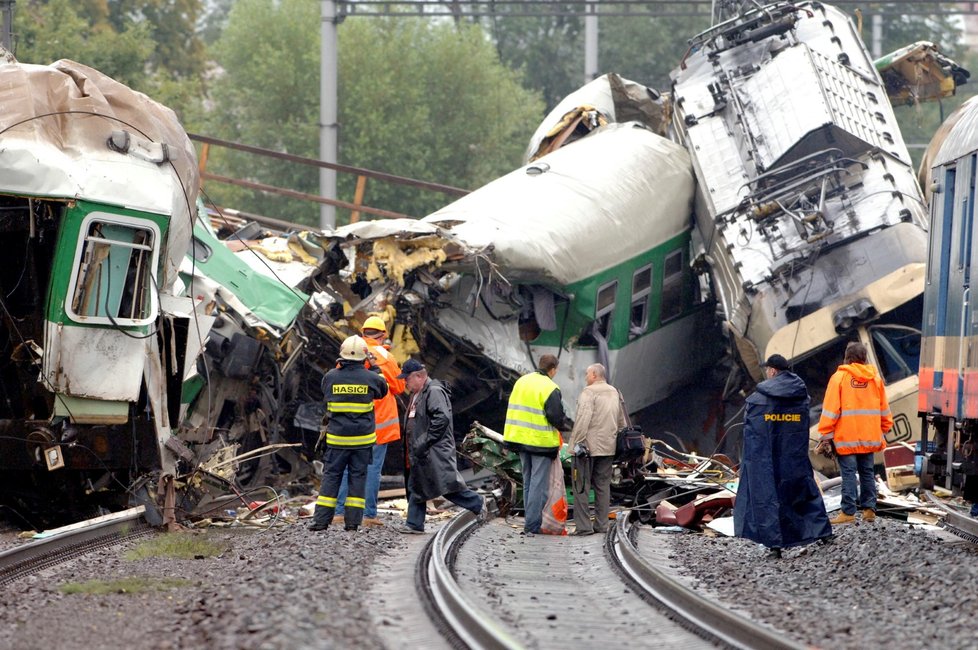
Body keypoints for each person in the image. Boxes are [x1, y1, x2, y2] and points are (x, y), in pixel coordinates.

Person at [733, 354, 833, 558]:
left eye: (768, 370)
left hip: (767, 461)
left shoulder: (758, 400)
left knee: (769, 500)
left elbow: (753, 437)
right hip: (795, 458)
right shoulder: (801, 395)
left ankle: (776, 547)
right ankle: (823, 534)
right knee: (805, 494)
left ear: (773, 371)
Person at [309, 335, 389, 533]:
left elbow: (324, 392)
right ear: (364, 357)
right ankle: (352, 524)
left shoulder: (330, 377)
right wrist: (375, 367)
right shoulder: (371, 378)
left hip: (337, 440)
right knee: (358, 479)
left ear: (341, 357)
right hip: (362, 442)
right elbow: (383, 390)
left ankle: (321, 522)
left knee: (331, 478)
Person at [395, 359, 485, 534]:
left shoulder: (434, 392)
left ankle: (477, 503)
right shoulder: (418, 393)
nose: (405, 382)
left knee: (446, 486)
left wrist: (424, 441)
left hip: (433, 450)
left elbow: (441, 419)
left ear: (419, 376)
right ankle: (414, 524)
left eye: (407, 378)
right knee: (417, 485)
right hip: (422, 450)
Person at [333, 316, 406, 527]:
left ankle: (339, 512)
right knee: (372, 469)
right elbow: (400, 388)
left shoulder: (349, 352)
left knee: (347, 466)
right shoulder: (385, 356)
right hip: (379, 423)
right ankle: (368, 515)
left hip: (351, 420)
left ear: (363, 331)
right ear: (383, 335)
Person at [817, 342, 893, 525]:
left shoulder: (839, 378)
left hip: (847, 438)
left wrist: (825, 434)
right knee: (867, 472)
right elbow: (884, 408)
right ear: (864, 358)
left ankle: (848, 512)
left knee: (849, 474)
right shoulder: (874, 379)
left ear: (847, 358)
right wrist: (885, 426)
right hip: (869, 436)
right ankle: (869, 510)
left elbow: (830, 409)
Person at [503, 354, 569, 534]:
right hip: (540, 442)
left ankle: (530, 521)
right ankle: (532, 526)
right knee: (538, 485)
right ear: (553, 369)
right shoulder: (550, 387)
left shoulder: (522, 381)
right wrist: (564, 426)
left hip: (519, 439)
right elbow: (556, 416)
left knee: (528, 482)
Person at [569, 363, 624, 536]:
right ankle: (601, 525)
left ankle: (584, 527)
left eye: (587, 374)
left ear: (594, 375)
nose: (585, 377)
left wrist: (575, 445)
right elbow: (621, 421)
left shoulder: (589, 392)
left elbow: (583, 420)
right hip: (608, 448)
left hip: (587, 449)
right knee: (602, 487)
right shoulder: (614, 392)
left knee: (581, 487)